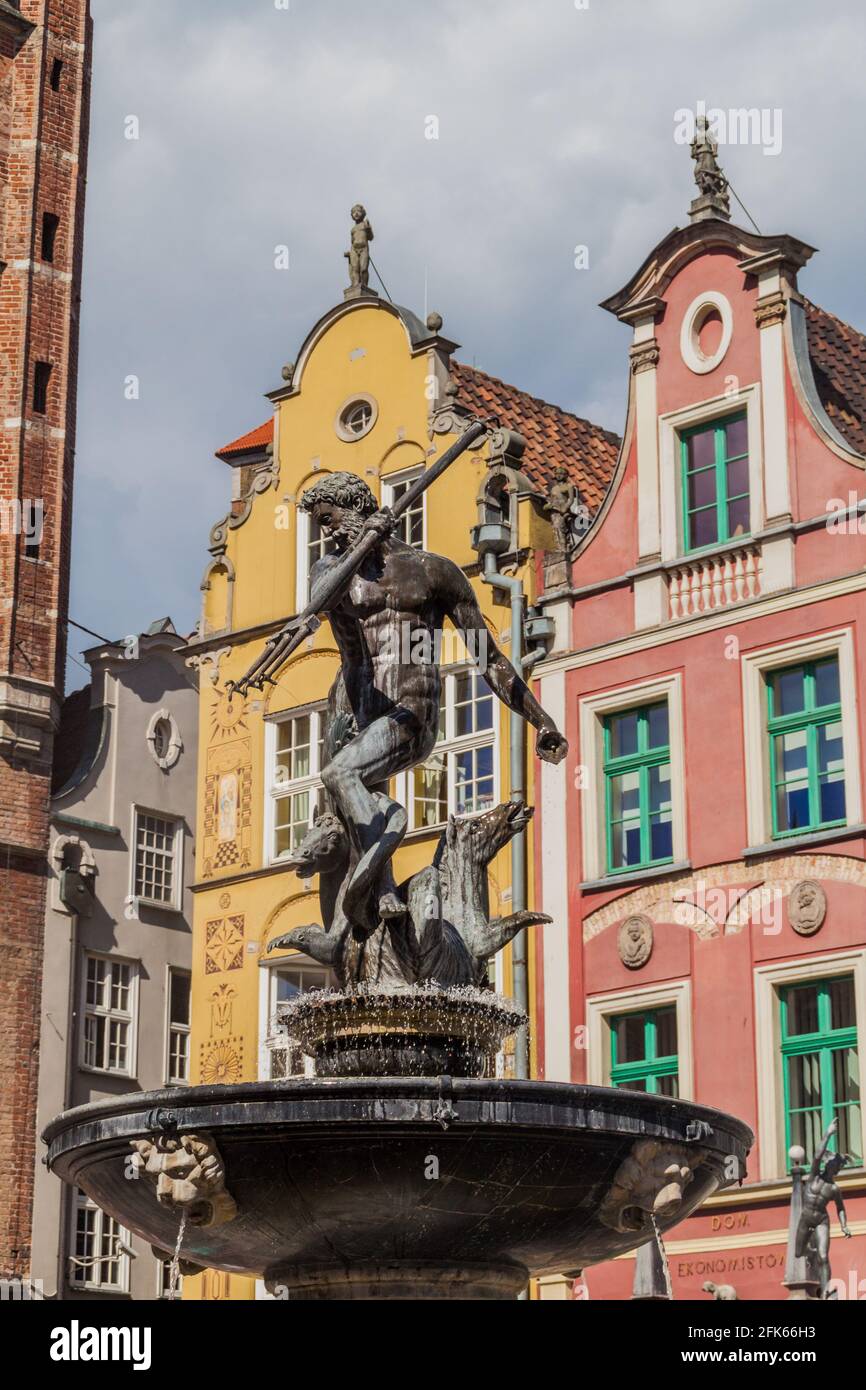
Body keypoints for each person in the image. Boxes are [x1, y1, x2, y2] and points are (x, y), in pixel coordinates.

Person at [299, 471, 568, 929]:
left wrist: (540, 720)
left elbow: (489, 658)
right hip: (357, 714)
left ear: (354, 507)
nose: (326, 532)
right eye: (319, 524)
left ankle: (392, 827)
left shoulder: (431, 571)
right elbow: (317, 605)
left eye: (329, 519)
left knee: (340, 773)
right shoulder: (329, 571)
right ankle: (379, 892)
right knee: (346, 796)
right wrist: (363, 546)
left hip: (410, 714)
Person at [795, 1117, 851, 1297]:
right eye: (831, 1162)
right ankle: (810, 1254)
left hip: (821, 1219)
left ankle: (826, 1288)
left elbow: (840, 1208)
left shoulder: (834, 1188)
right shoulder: (814, 1176)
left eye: (835, 1164)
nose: (831, 1165)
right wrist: (828, 1133)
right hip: (805, 1217)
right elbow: (818, 1154)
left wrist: (844, 1225)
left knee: (824, 1256)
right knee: (798, 1253)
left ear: (836, 1169)